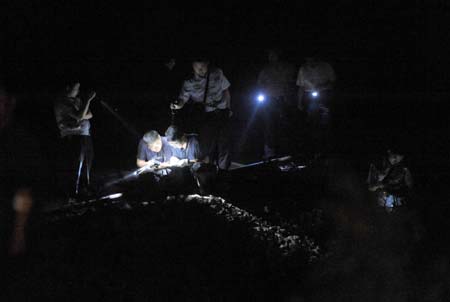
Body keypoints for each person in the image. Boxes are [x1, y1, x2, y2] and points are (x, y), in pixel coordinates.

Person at [170, 57, 232, 171]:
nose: (201, 70)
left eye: (203, 67)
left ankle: (224, 173)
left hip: (222, 112)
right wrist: (177, 105)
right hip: (207, 115)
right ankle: (209, 171)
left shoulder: (217, 72)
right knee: (208, 147)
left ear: (208, 63)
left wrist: (228, 108)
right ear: (193, 65)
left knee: (224, 144)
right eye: (198, 67)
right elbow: (182, 100)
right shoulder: (189, 82)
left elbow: (226, 90)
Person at [54, 82, 95, 199]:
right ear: (68, 88)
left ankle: (84, 189)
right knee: (76, 165)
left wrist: (82, 114)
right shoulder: (62, 102)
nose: (78, 91)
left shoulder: (76, 100)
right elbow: (79, 116)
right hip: (74, 136)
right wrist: (88, 100)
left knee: (88, 162)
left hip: (85, 134)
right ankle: (73, 194)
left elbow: (89, 114)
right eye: (76, 88)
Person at [257, 49, 296, 158]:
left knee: (285, 125)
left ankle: (286, 150)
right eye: (270, 56)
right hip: (269, 100)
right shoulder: (265, 70)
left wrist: (289, 97)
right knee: (269, 125)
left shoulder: (288, 68)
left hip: (283, 99)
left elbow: (292, 83)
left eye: (274, 55)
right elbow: (260, 84)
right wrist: (262, 96)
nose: (271, 58)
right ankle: (269, 151)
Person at [296, 56, 336, 153]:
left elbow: (333, 82)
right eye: (308, 59)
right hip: (310, 96)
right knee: (312, 120)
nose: (310, 61)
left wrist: (322, 86)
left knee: (325, 120)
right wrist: (299, 102)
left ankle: (327, 146)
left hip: (324, 95)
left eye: (312, 59)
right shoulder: (303, 69)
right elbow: (301, 87)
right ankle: (314, 147)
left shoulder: (325, 66)